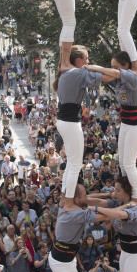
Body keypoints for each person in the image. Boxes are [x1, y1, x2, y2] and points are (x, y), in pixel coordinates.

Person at [86, 52, 137, 199]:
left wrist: (92, 66)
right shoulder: (118, 81)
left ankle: (136, 197)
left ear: (126, 66)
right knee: (122, 162)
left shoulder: (133, 78)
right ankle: (127, 189)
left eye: (116, 67)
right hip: (126, 123)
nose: (112, 69)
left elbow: (111, 73)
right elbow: (104, 77)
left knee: (129, 163)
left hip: (136, 126)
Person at [55, 46, 102, 201]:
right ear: (79, 60)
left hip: (64, 120)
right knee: (76, 164)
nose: (88, 62)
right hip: (70, 122)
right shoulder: (78, 73)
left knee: (72, 163)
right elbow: (102, 77)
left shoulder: (66, 73)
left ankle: (64, 194)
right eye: (87, 59)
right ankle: (68, 199)